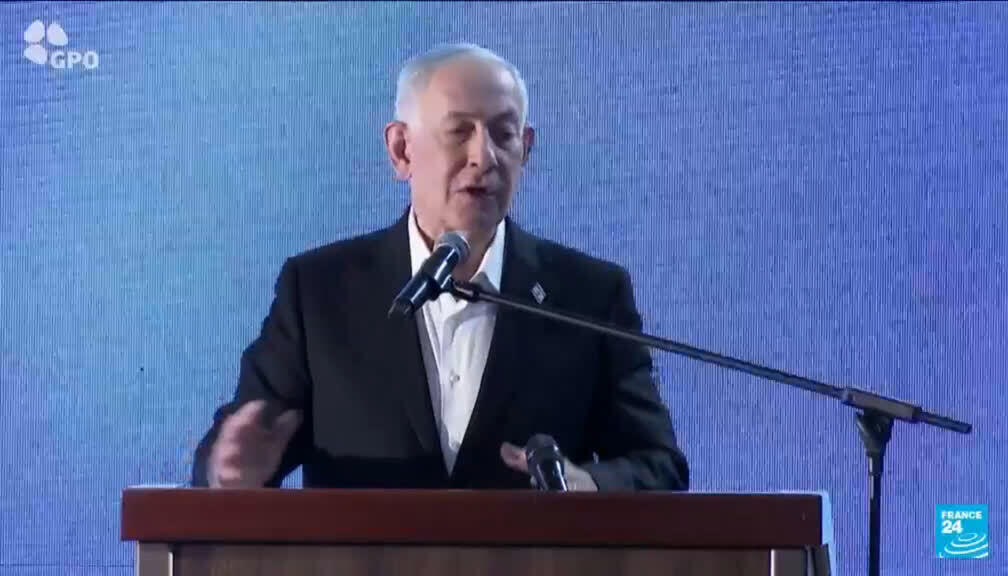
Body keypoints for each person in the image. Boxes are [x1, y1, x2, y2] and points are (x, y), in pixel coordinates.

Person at [191, 43, 688, 491]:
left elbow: (659, 465)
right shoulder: (320, 291)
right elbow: (236, 451)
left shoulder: (589, 295)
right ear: (401, 150)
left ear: (526, 149)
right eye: (459, 132)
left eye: (504, 134)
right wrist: (231, 472)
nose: (484, 157)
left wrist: (588, 486)